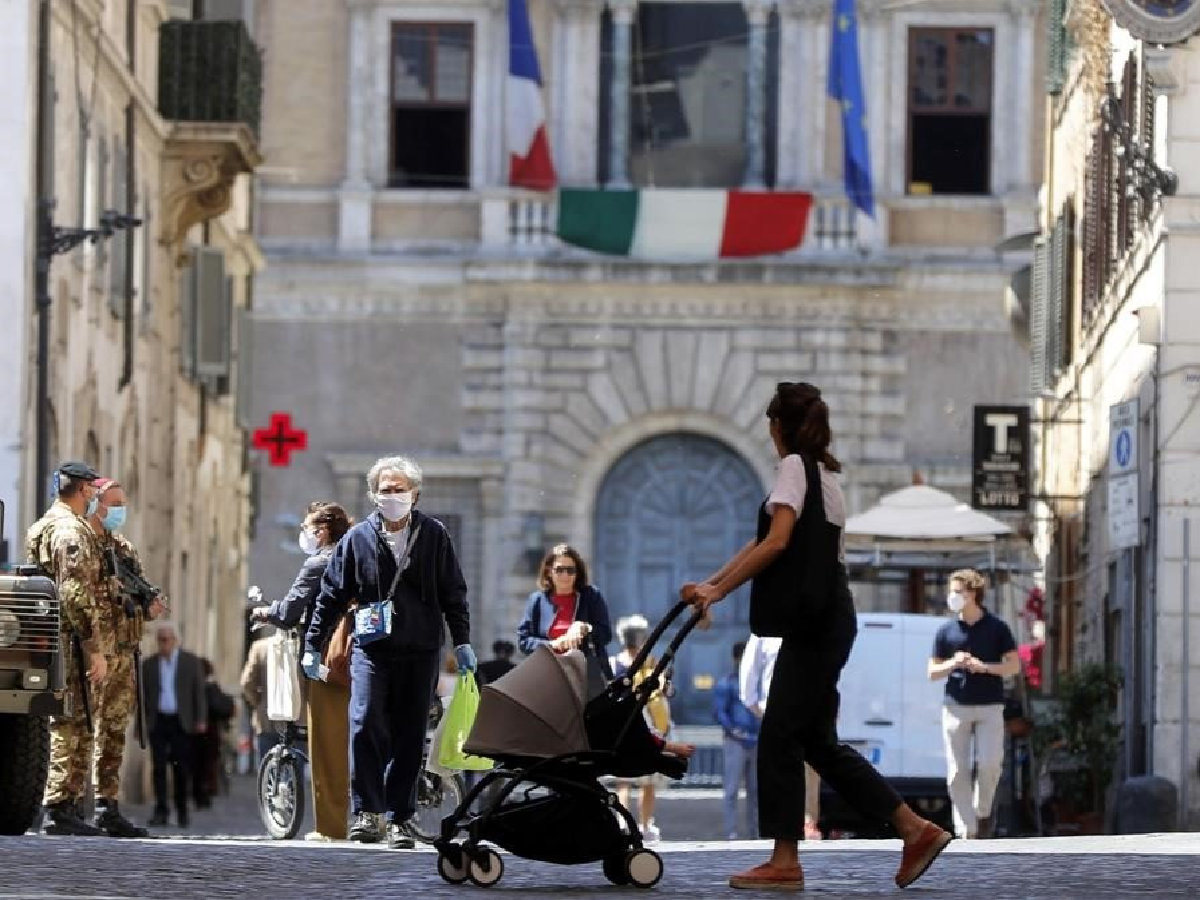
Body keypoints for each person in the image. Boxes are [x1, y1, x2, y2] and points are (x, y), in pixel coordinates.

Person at [681, 382, 952, 891]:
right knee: (817, 743)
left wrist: (717, 593)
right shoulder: (824, 474)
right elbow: (761, 541)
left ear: (778, 426)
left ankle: (785, 862)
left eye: (770, 426)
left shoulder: (793, 467)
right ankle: (914, 829)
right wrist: (712, 584)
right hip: (832, 617)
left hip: (816, 624)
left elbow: (777, 542)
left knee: (780, 734)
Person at [303, 456, 476, 850]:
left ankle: (400, 817)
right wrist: (314, 645)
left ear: (414, 494)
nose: (392, 495)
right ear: (373, 495)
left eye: (399, 489)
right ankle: (367, 811)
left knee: (409, 733)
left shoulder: (434, 535)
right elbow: (331, 595)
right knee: (364, 722)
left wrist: (462, 640)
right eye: (385, 489)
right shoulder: (357, 539)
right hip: (372, 648)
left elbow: (454, 593)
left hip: (420, 649)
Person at [250, 500, 353, 841]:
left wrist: (266, 612)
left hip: (329, 659)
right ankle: (377, 818)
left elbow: (291, 610)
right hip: (364, 657)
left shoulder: (319, 562)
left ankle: (331, 826)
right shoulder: (358, 556)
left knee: (326, 743)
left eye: (306, 528)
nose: (304, 535)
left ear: (322, 531)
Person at [25, 461, 108, 836]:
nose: (94, 496)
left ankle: (66, 806)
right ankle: (60, 806)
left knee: (69, 719)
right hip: (68, 640)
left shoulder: (43, 524)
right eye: (92, 490)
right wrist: (94, 647)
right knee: (71, 722)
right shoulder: (69, 530)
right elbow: (74, 593)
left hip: (49, 635)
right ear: (84, 490)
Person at [85, 478, 166, 837]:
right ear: (95, 503)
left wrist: (151, 606)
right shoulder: (82, 544)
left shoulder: (123, 548)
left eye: (122, 504)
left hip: (124, 652)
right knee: (79, 729)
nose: (118, 511)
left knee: (114, 732)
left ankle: (107, 805)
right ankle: (67, 803)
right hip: (93, 652)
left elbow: (142, 598)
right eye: (112, 504)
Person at [928, 568, 1020, 840]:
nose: (953, 597)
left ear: (973, 594)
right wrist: (953, 663)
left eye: (958, 592)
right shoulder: (945, 632)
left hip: (990, 705)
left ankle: (982, 812)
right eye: (951, 591)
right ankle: (966, 828)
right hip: (955, 705)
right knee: (957, 769)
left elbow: (1013, 666)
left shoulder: (996, 628)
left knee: (990, 763)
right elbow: (931, 672)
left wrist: (985, 667)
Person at [740, 633, 823, 841]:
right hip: (779, 711)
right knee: (782, 770)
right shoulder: (763, 631)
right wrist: (758, 707)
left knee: (810, 770)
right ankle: (785, 827)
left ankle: (807, 821)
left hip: (811, 709)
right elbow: (749, 673)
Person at [609, 614, 674, 844]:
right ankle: (643, 825)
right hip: (649, 726)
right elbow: (668, 691)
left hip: (629, 725)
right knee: (645, 782)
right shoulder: (650, 663)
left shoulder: (616, 663)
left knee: (625, 780)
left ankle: (624, 823)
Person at [141, 622, 207, 828]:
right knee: (159, 768)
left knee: (181, 769)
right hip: (158, 721)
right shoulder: (149, 665)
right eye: (160, 639)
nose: (164, 644)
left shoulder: (190, 662)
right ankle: (161, 810)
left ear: (175, 640)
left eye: (167, 639)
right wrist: (140, 727)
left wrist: (201, 719)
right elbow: (143, 699)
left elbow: (199, 693)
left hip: (181, 722)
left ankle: (182, 811)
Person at [517, 543, 613, 673]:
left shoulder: (591, 596)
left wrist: (584, 628)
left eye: (570, 570)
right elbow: (524, 641)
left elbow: (605, 634)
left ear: (577, 573)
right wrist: (553, 645)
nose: (565, 575)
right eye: (559, 570)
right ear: (549, 571)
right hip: (548, 674)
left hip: (586, 674)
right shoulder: (537, 600)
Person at [714, 641, 759, 840]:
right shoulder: (727, 683)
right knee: (732, 789)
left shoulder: (759, 683)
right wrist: (734, 731)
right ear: (737, 659)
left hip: (757, 740)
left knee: (755, 790)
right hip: (736, 742)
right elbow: (720, 712)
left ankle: (755, 830)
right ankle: (731, 831)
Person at [193, 658, 235, 807]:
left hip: (204, 732)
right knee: (208, 764)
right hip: (210, 732)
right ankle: (205, 791)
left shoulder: (205, 687)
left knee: (202, 764)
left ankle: (203, 792)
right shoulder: (210, 687)